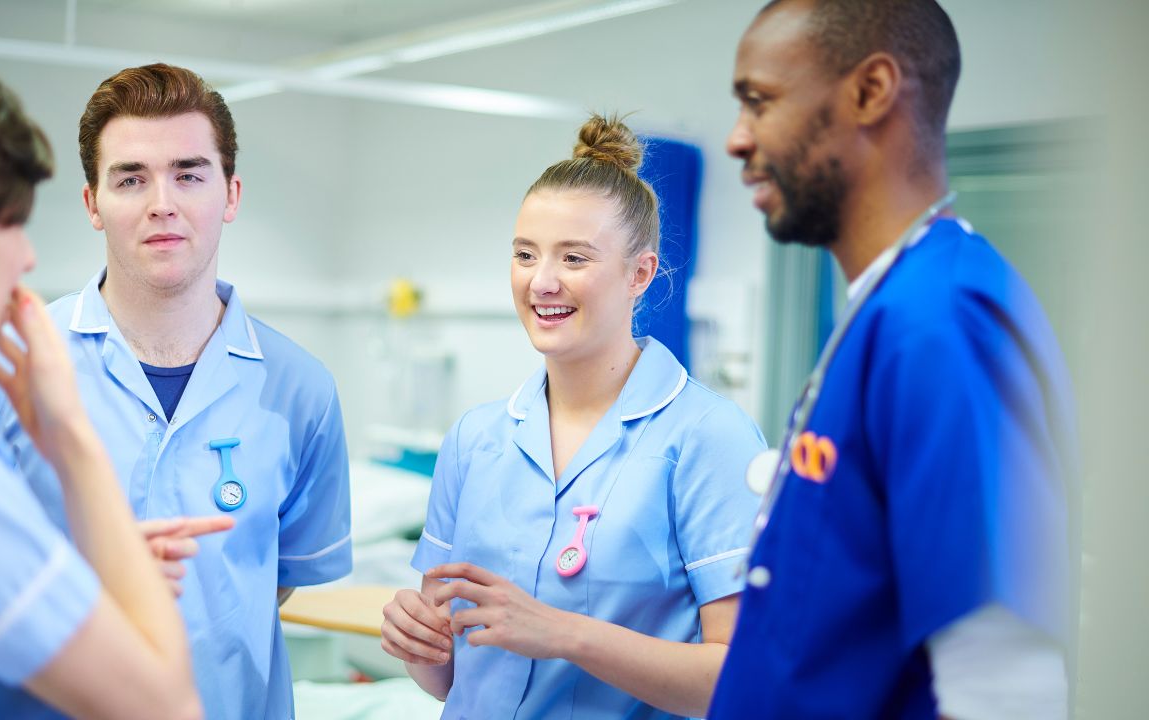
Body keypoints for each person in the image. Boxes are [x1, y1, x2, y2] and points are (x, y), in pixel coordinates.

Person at [0, 63, 353, 720]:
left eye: (189, 174)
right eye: (131, 178)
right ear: (92, 204)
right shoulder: (2, 363)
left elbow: (272, 582)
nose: (162, 201)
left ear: (231, 195)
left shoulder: (300, 390)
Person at [708, 1, 1074, 718]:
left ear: (871, 91)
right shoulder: (886, 309)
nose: (736, 140)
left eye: (760, 101)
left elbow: (1004, 686)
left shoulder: (941, 319)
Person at [382, 115, 767, 719]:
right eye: (525, 254)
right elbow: (448, 678)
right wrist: (417, 643)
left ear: (639, 273)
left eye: (575, 258)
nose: (542, 282)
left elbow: (746, 679)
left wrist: (566, 634)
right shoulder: (475, 439)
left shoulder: (708, 437)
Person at [0, 46, 205, 719]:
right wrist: (72, 437)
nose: (26, 257)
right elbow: (166, 706)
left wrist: (66, 577)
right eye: (13, 225)